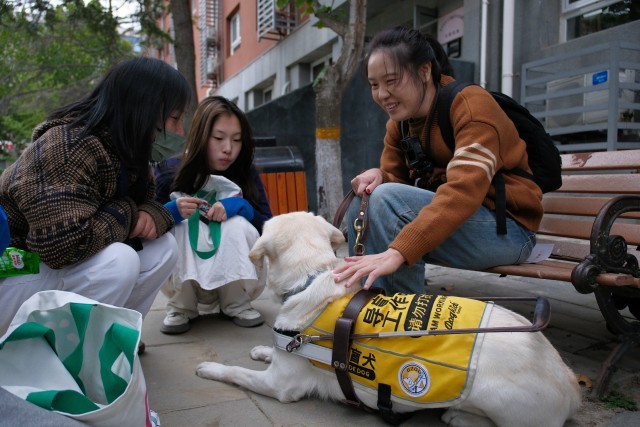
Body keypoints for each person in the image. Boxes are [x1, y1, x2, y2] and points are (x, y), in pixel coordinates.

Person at [333, 26, 542, 295]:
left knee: (383, 200)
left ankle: (402, 324)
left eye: (392, 80)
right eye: (375, 85)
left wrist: (399, 250)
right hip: (463, 224)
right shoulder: (401, 124)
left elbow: (462, 192)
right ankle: (370, 303)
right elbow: (396, 183)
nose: (382, 94)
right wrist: (380, 176)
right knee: (364, 199)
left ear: (424, 71)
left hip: (510, 231)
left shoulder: (471, 105)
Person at [0, 57, 191, 335]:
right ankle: (62, 356)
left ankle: (114, 338)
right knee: (118, 261)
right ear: (142, 108)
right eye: (175, 118)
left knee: (163, 249)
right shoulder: (68, 147)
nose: (180, 131)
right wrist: (128, 211)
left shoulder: (128, 154)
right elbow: (62, 247)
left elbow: (146, 206)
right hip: (13, 270)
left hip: (40, 271)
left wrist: (153, 214)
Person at [154, 96, 272, 334]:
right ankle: (180, 305)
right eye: (218, 138)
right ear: (200, 135)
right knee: (183, 225)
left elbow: (266, 227)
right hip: (184, 279)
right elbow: (150, 224)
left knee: (237, 224)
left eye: (237, 140)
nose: (228, 148)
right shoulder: (169, 170)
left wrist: (240, 207)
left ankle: (236, 302)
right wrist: (172, 213)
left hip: (237, 278)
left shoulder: (244, 171)